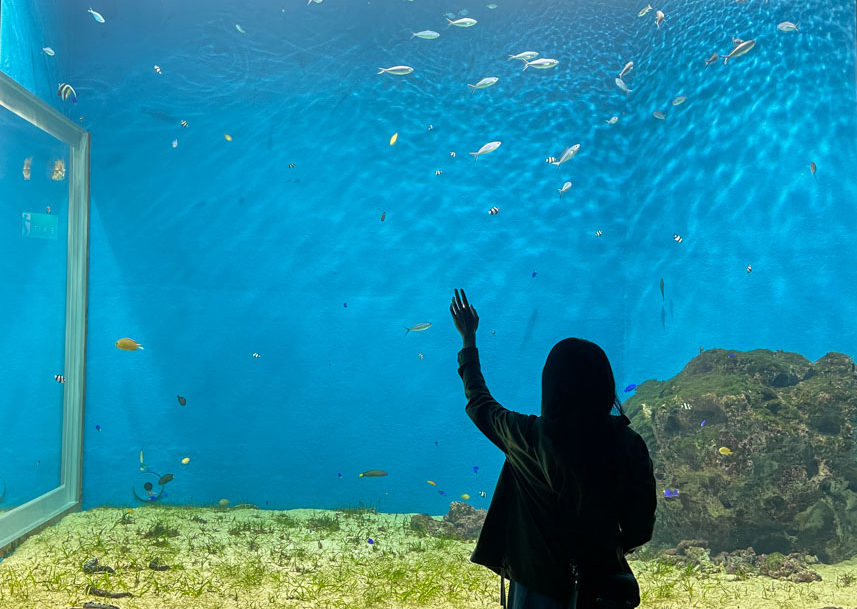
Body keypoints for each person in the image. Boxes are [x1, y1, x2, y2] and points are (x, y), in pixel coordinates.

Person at [449, 289, 657, 609]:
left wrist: (469, 339)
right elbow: (640, 528)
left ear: (551, 385)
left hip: (537, 588)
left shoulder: (527, 436)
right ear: (605, 386)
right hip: (606, 589)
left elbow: (478, 401)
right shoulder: (629, 445)